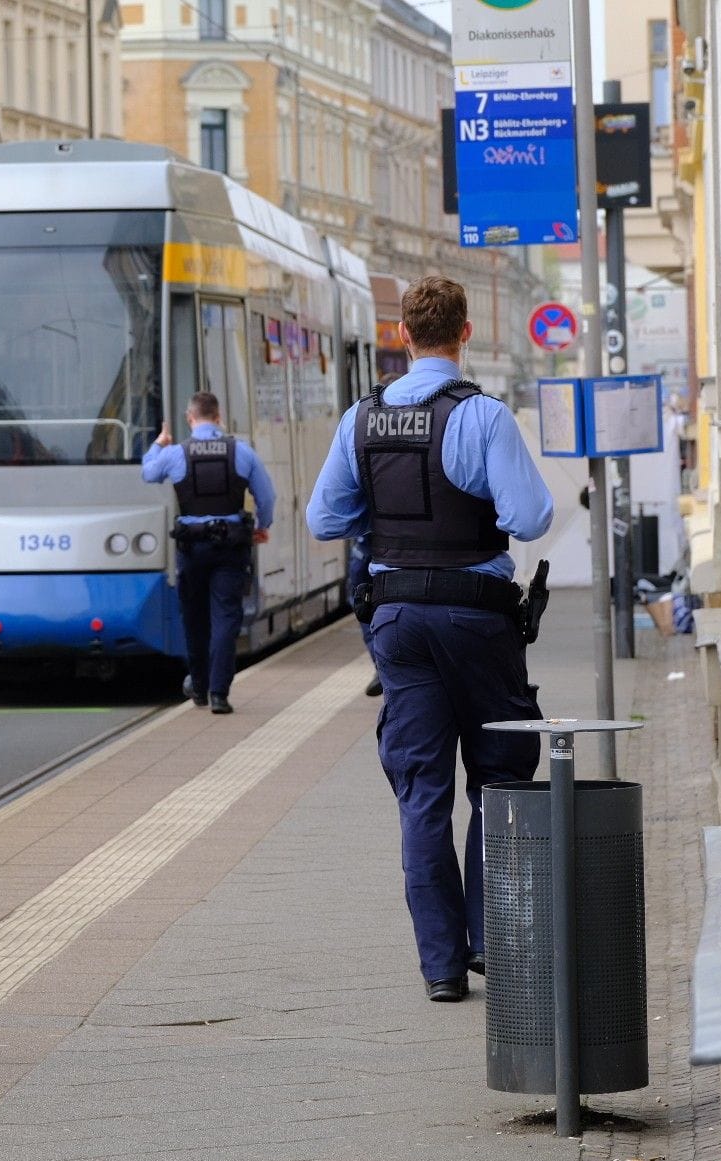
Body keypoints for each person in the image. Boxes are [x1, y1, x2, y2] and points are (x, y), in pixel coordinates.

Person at [306, 276, 553, 1004]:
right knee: (502, 781)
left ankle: (441, 968)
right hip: (478, 618)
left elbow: (325, 520)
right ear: (465, 332)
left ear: (403, 337)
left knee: (421, 793)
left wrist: (383, 529)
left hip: (398, 624)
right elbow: (531, 517)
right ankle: (498, 947)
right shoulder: (482, 416)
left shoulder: (363, 418)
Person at [141, 391, 276, 715]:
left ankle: (198, 688)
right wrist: (261, 525)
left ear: (190, 419)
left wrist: (159, 443)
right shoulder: (241, 451)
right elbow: (267, 496)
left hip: (192, 547)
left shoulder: (176, 453)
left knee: (195, 618)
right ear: (218, 417)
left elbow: (147, 473)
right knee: (227, 617)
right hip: (231, 546)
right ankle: (219, 693)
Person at [349, 372, 411, 700]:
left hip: (369, 547)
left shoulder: (359, 426)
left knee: (362, 600)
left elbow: (325, 519)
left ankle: (380, 660)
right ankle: (384, 663)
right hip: (421, 556)